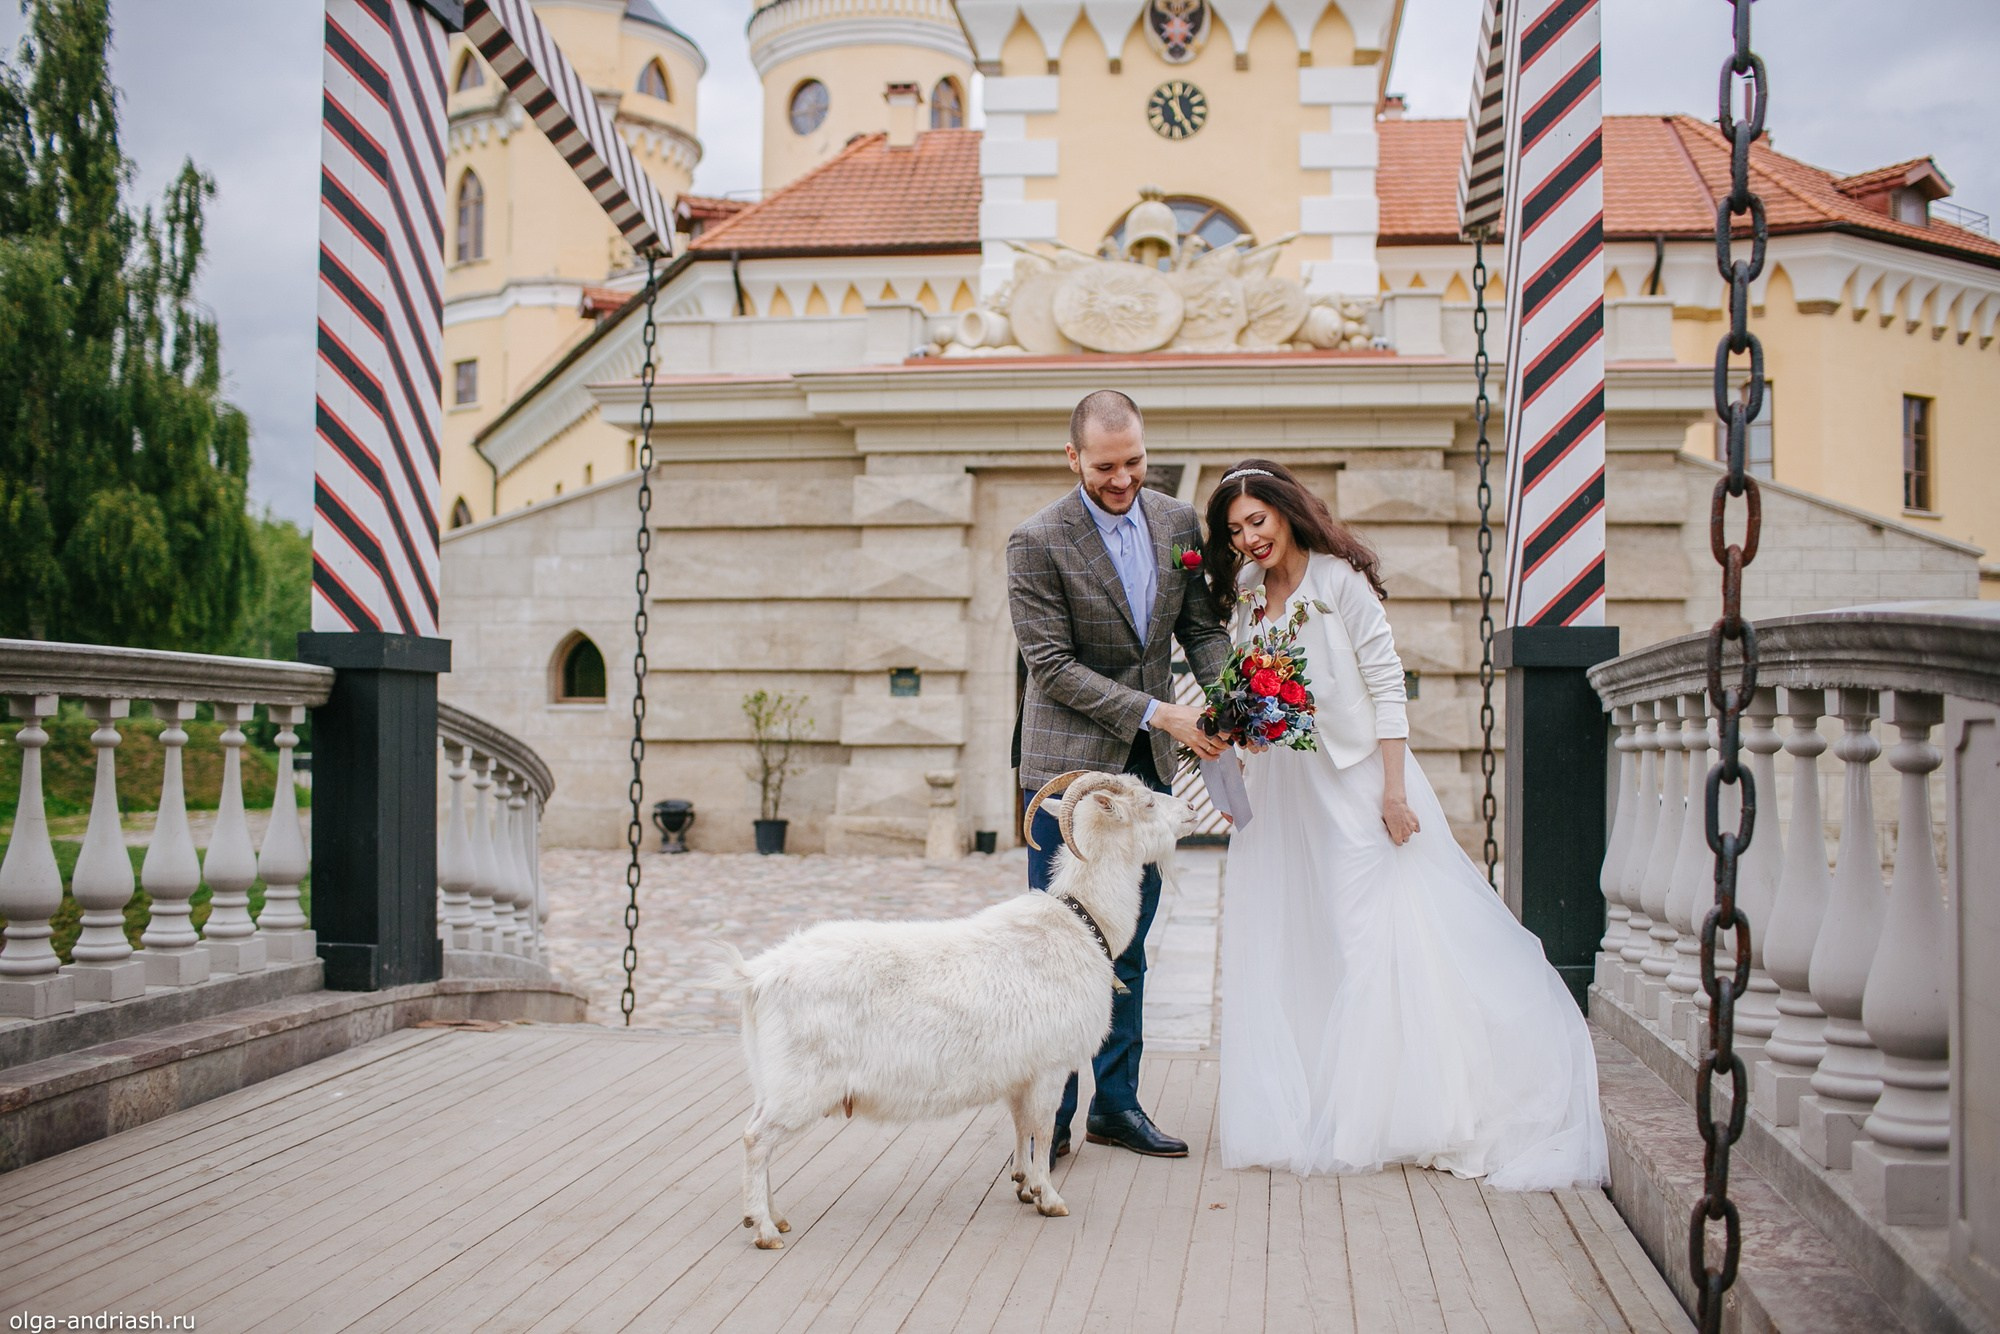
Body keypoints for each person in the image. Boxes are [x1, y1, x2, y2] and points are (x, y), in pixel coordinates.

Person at [1204, 459, 1607, 1189]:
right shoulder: (1247, 593)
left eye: (1256, 521)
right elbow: (1256, 683)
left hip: (1357, 782)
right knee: (1303, 929)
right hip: (1288, 788)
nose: (1249, 539)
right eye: (1234, 531)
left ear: (1286, 511)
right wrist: (1246, 731)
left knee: (1369, 932)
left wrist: (1393, 790)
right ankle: (1321, 1096)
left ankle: (1396, 1110)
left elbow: (1387, 683)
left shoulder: (1340, 582)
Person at [1006, 389, 1231, 1167]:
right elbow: (1051, 667)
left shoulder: (1177, 522)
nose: (1123, 478)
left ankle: (1116, 1106)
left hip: (1146, 773)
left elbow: (1200, 629)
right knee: (1062, 949)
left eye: (1133, 461)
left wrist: (1233, 701)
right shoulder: (1035, 541)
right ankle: (1050, 1120)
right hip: (1066, 779)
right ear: (1073, 458)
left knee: (1127, 946)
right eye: (1105, 466)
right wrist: (1162, 712)